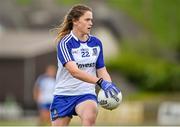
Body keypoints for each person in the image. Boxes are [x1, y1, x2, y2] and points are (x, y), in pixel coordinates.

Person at [50, 4, 120, 126]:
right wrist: (100, 82)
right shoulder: (65, 43)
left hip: (86, 94)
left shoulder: (96, 43)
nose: (91, 23)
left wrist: (108, 86)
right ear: (75, 21)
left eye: (91, 19)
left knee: (89, 118)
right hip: (63, 95)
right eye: (87, 19)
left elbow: (101, 69)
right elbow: (74, 72)